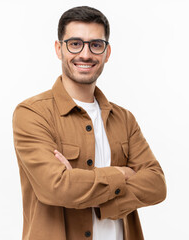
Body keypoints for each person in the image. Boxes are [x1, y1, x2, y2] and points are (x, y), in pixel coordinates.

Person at [12, 6, 166, 240]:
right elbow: (55, 188)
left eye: (95, 44)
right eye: (75, 43)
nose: (85, 54)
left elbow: (156, 184)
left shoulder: (124, 119)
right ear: (58, 49)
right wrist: (120, 173)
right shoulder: (32, 113)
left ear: (107, 52)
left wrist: (82, 187)